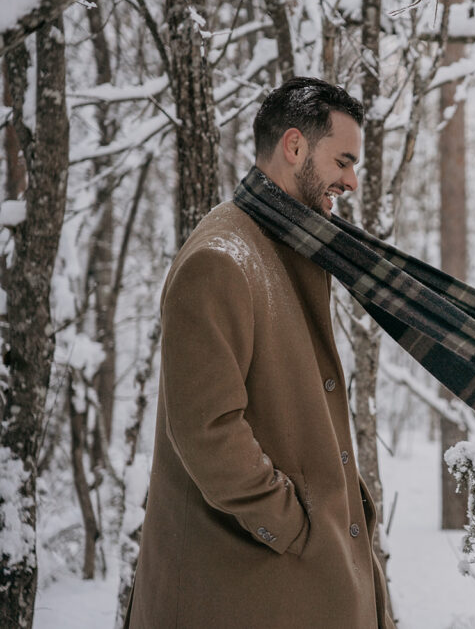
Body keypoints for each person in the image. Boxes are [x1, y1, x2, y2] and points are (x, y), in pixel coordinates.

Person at [126, 77, 394, 628]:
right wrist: (297, 526)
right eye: (343, 161)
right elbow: (208, 431)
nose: (352, 180)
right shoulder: (221, 257)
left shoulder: (286, 244)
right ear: (294, 146)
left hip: (294, 581)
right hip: (243, 589)